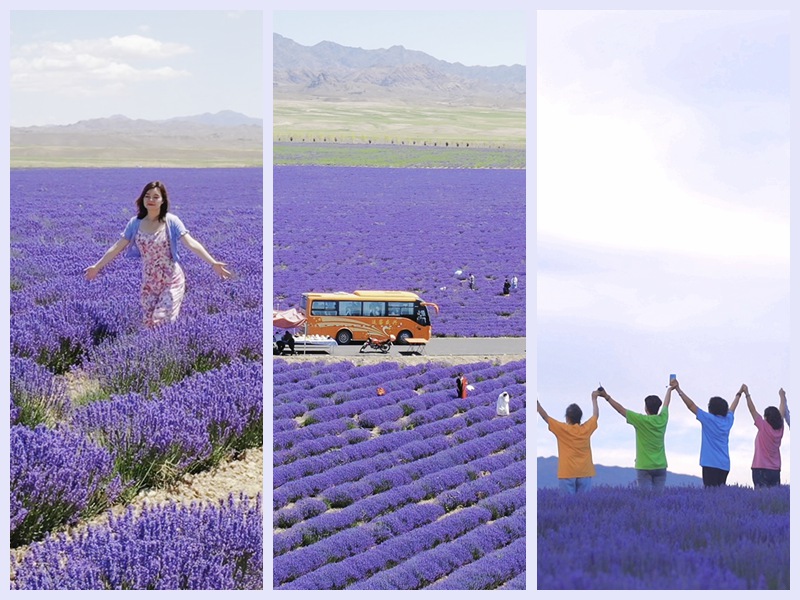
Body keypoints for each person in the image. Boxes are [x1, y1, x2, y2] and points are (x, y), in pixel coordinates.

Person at [85, 181, 231, 328]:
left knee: (161, 321)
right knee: (148, 324)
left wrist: (213, 263)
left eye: (156, 197)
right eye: (147, 196)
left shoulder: (171, 221)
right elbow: (117, 247)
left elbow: (190, 243)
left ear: (163, 200)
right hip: (149, 282)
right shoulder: (135, 223)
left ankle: (171, 346)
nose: (151, 200)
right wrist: (97, 266)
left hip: (171, 280)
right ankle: (157, 348)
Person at [599, 386, 672, 491]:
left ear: (646, 408)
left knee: (645, 499)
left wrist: (607, 397)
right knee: (658, 500)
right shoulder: (663, 419)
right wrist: (670, 390)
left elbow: (621, 410)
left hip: (644, 466)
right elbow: (666, 404)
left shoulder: (640, 420)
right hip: (661, 465)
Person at [671, 379, 740, 487]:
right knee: (720, 495)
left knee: (710, 495)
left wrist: (678, 390)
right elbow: (733, 408)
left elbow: (691, 405)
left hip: (710, 463)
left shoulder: (708, 419)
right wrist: (739, 394)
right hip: (724, 464)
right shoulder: (728, 421)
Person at [537, 390, 599, 494]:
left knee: (568, 507)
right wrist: (594, 399)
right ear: (580, 418)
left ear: (567, 418)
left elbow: (546, 417)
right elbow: (595, 416)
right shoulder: (586, 428)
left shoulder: (562, 429)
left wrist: (536, 403)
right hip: (585, 472)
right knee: (585, 505)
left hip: (567, 473)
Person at [743, 384, 786, 487]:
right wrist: (782, 397)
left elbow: (752, 410)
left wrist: (747, 393)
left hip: (760, 468)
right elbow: (782, 411)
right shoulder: (780, 429)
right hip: (775, 470)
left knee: (760, 498)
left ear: (766, 417)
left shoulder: (763, 426)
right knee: (773, 499)